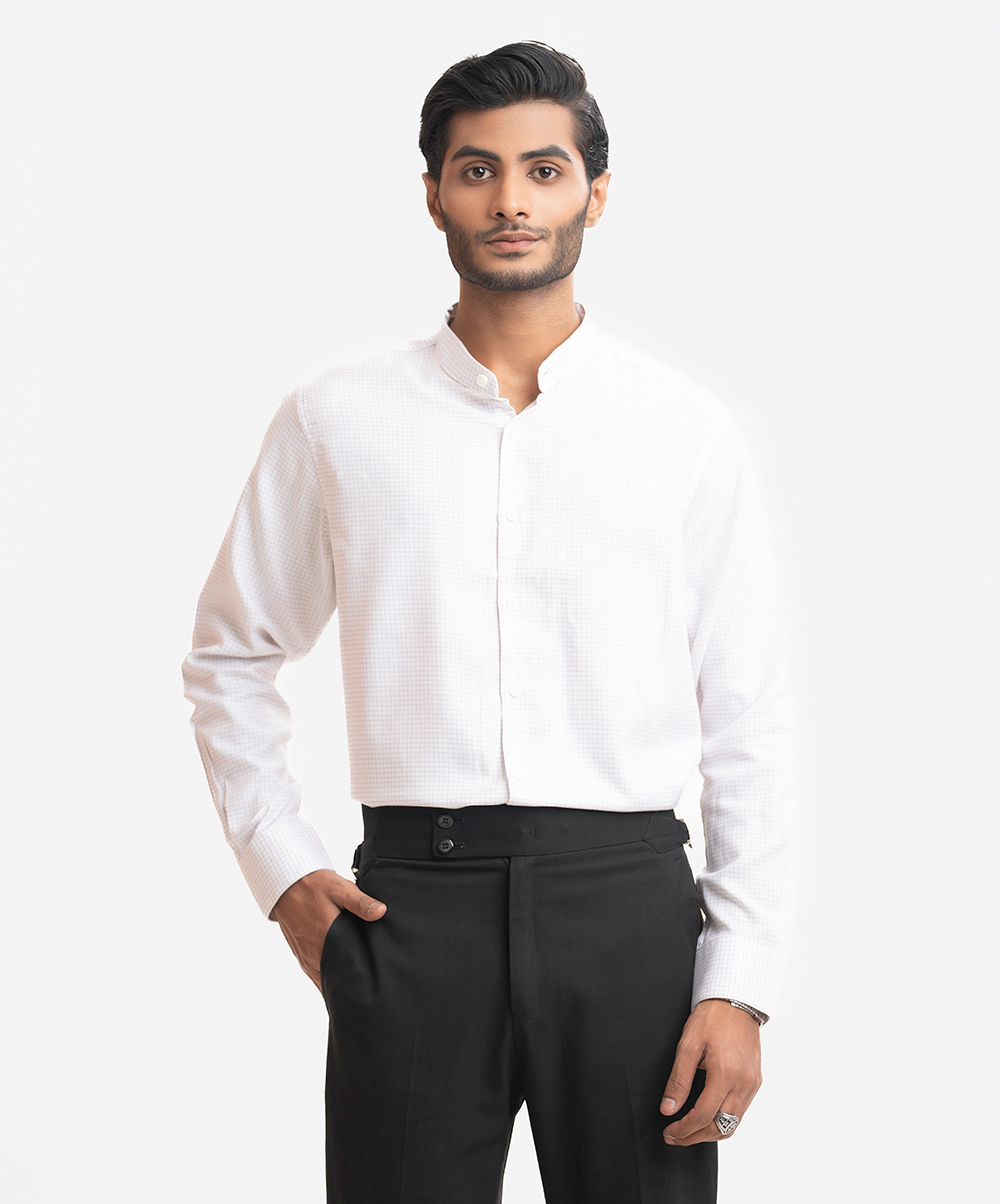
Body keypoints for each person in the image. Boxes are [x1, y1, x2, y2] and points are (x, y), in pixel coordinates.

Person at [182, 41, 792, 1204]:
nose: (511, 200)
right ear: (433, 195)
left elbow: (747, 714)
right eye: (477, 170)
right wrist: (282, 867)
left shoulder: (681, 432)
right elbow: (229, 655)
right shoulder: (337, 420)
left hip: (628, 911)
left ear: (594, 195)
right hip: (412, 908)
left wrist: (739, 978)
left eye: (543, 170)